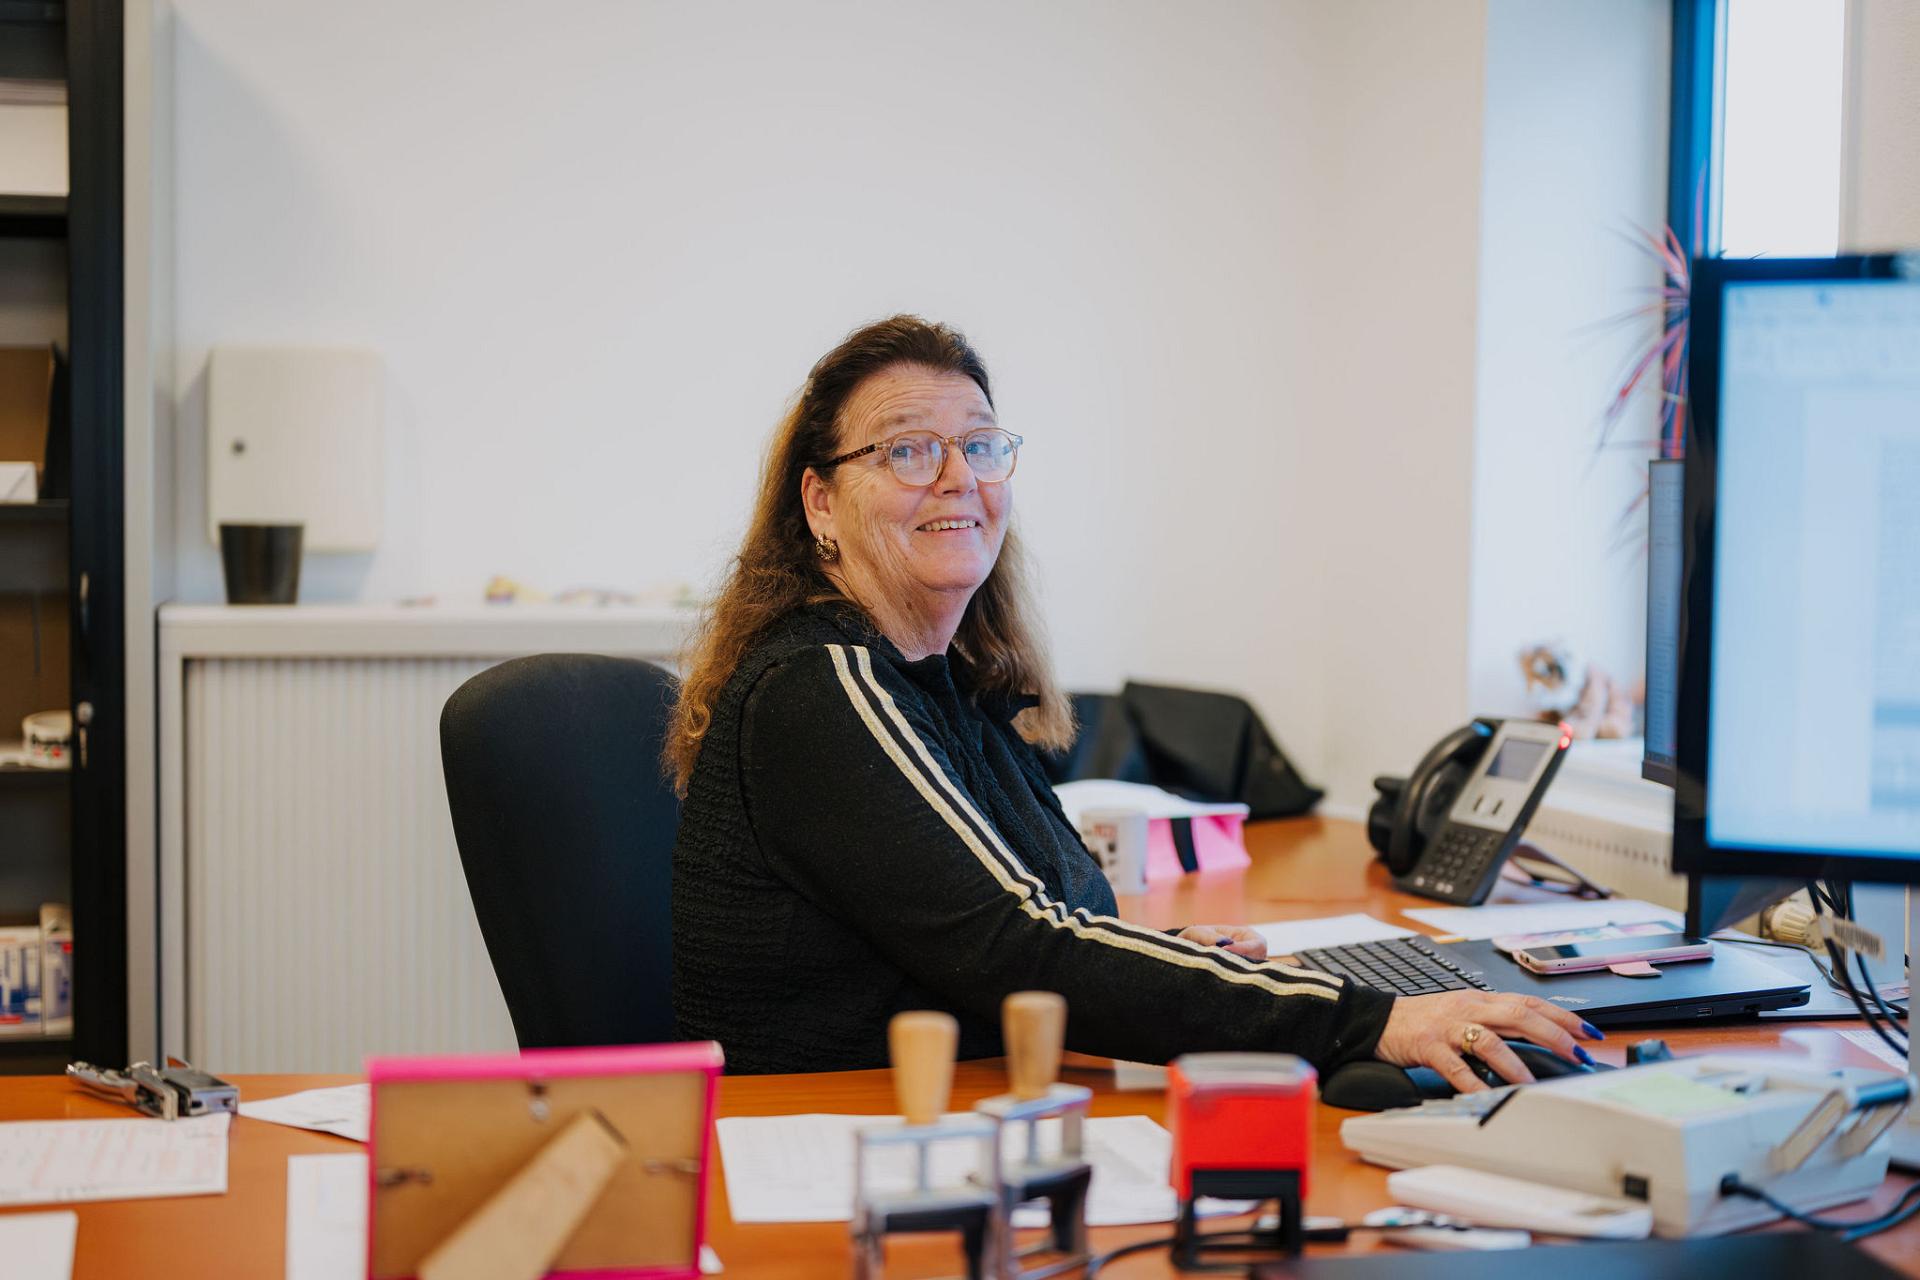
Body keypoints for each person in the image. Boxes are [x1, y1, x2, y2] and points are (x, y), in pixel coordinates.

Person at [667, 315, 1600, 1088]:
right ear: (821, 501)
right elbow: (1021, 948)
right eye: (908, 451)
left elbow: (1059, 913)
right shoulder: (823, 687)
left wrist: (1173, 961)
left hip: (956, 1107)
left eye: (980, 445)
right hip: (840, 1151)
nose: (958, 478)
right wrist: (1374, 1020)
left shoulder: (942, 687)